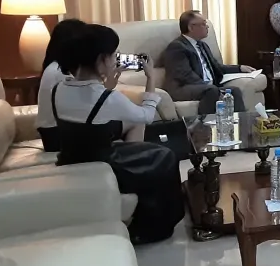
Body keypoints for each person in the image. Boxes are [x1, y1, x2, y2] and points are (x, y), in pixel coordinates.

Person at [52, 24, 184, 244]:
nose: (116, 59)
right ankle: (152, 226)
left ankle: (146, 212)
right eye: (113, 55)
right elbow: (146, 116)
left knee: (147, 152)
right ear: (101, 59)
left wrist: (107, 86)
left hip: (71, 158)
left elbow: (88, 106)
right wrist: (150, 78)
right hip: (103, 161)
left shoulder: (60, 88)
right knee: (164, 156)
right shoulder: (106, 98)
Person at [163, 10, 253, 115]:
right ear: (191, 27)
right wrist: (207, 85)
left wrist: (239, 68)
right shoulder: (177, 46)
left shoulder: (202, 45)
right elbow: (184, 74)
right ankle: (205, 123)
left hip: (206, 87)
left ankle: (240, 122)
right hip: (183, 88)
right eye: (203, 24)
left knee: (234, 91)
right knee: (211, 90)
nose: (207, 27)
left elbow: (217, 67)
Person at [36, 18, 87, 151]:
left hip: (54, 132)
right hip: (57, 135)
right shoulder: (60, 72)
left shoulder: (55, 67)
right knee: (133, 122)